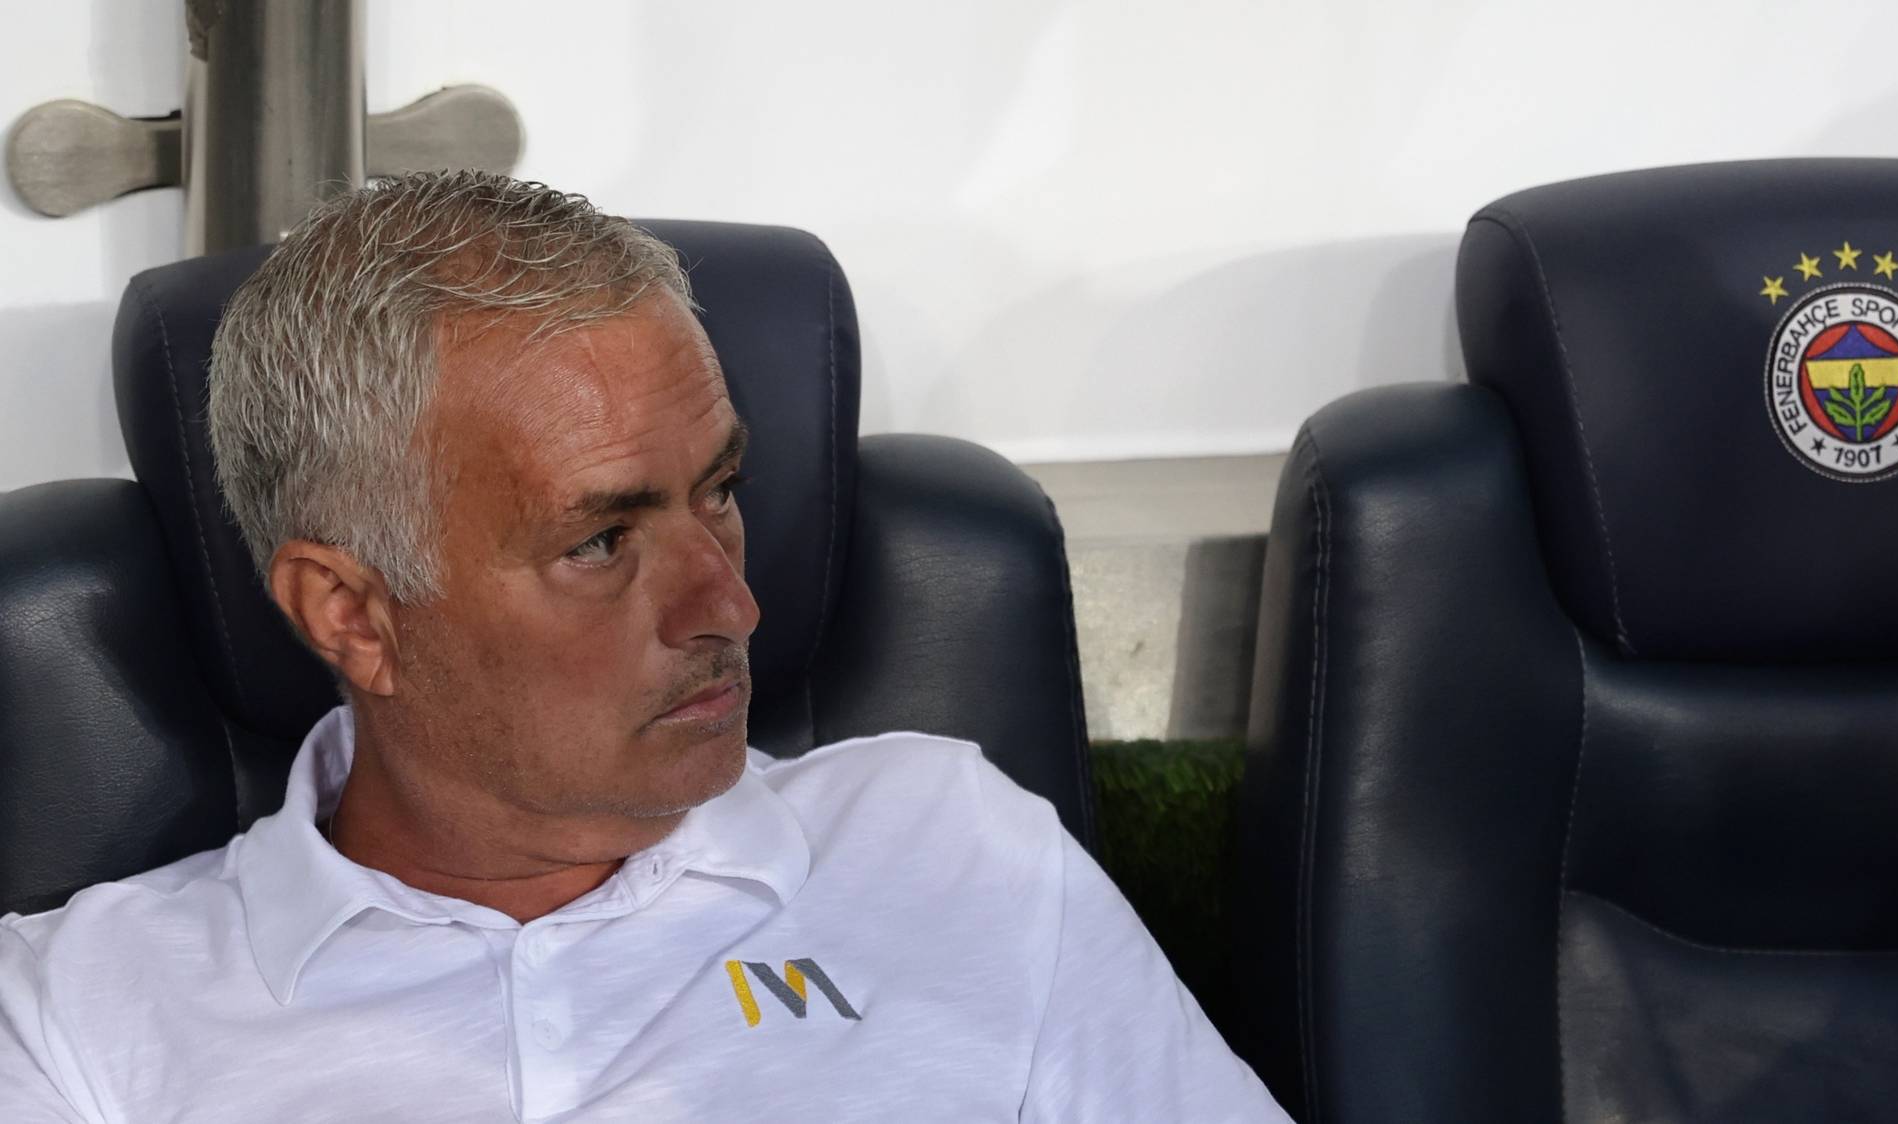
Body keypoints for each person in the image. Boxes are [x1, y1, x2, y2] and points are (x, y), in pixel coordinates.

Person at [0, 171, 1286, 1121]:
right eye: (600, 542)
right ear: (353, 613)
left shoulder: (956, 848)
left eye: (717, 490)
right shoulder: (76, 1021)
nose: (726, 604)